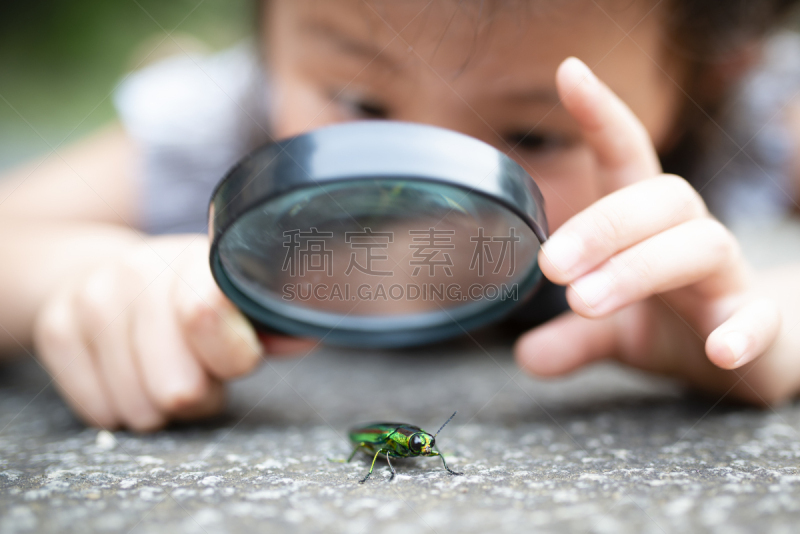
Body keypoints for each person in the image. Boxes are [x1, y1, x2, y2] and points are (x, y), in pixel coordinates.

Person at [1, 0, 800, 431]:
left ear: (708, 83)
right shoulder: (213, 126)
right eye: (359, 100)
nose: (423, 183)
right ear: (267, 42)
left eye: (531, 133)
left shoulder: (754, 128)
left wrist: (772, 323)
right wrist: (64, 278)